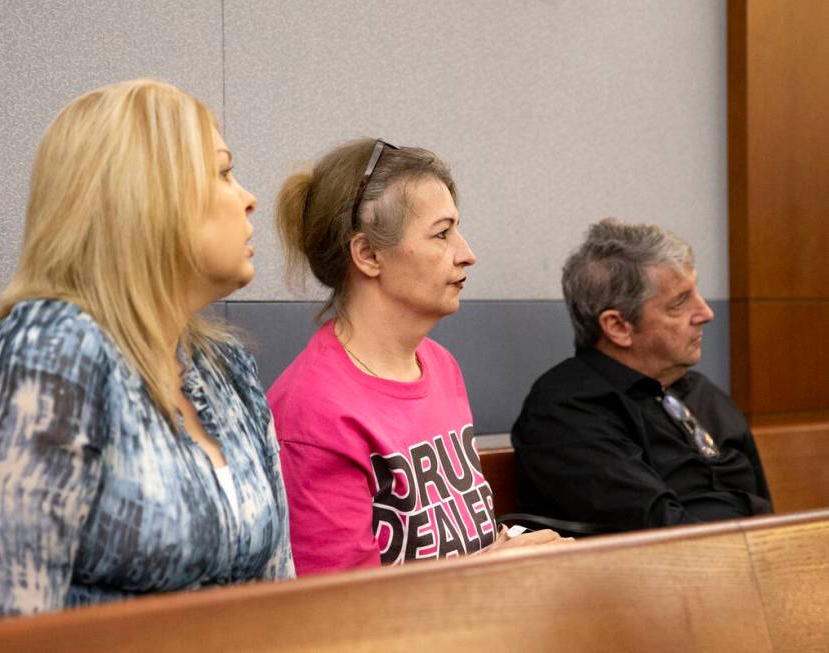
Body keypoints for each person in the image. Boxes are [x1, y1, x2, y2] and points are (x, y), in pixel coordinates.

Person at [0, 79, 294, 628]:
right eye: (223, 172)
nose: (249, 197)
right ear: (146, 195)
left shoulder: (226, 370)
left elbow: (279, 600)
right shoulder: (49, 352)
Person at [270, 139, 565, 576]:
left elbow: (460, 550)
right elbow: (340, 615)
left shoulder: (439, 364)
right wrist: (488, 575)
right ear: (368, 255)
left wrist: (512, 553)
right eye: (442, 233)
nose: (467, 253)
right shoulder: (312, 411)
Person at [512, 218, 772, 532]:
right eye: (679, 302)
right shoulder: (567, 411)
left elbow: (764, 507)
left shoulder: (702, 392)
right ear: (619, 327)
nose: (706, 313)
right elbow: (659, 534)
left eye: (696, 292)